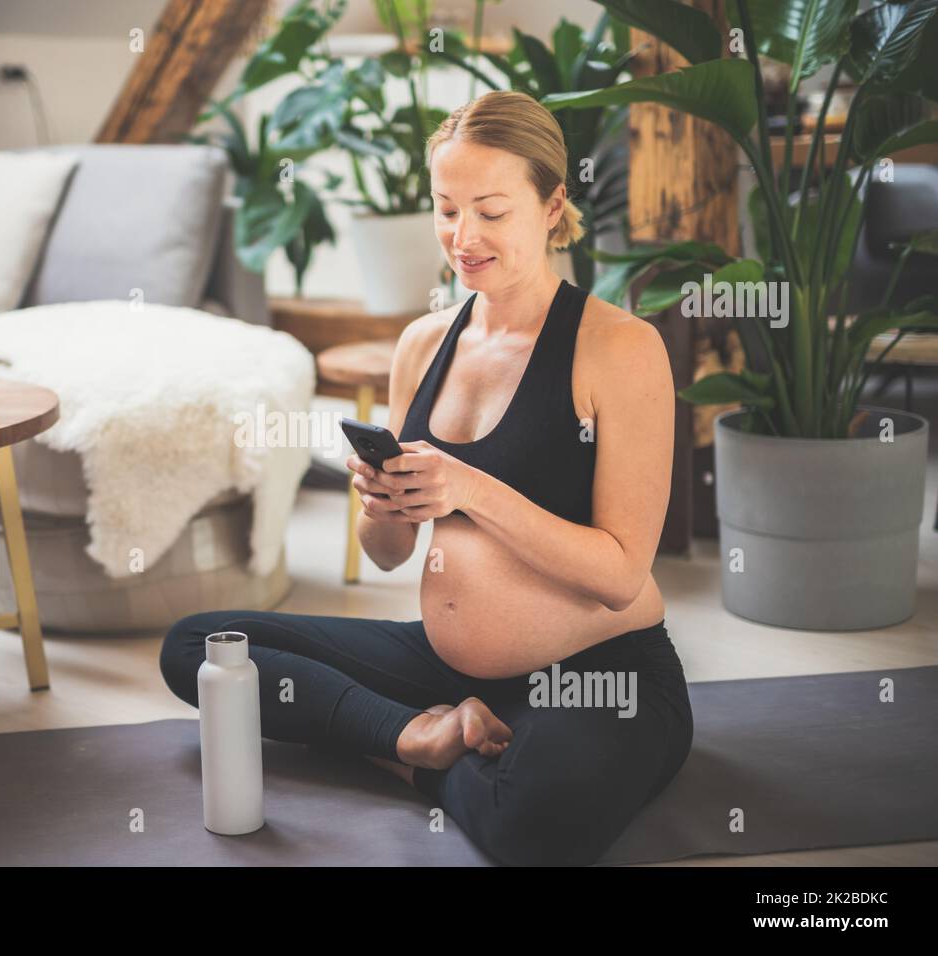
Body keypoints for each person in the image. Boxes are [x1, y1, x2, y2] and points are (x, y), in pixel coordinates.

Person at [160, 90, 693, 866]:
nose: (463, 236)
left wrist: (473, 489)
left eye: (491, 211)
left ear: (552, 205)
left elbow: (619, 575)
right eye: (446, 210)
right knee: (201, 648)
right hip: (441, 665)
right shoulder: (421, 345)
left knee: (537, 829)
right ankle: (418, 734)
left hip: (596, 674)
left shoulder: (620, 348)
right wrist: (380, 501)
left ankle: (407, 757)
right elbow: (386, 552)